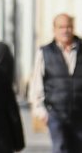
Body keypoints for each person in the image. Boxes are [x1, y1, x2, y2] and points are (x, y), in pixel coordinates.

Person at [29, 13, 82, 153]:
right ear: (54, 29)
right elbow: (37, 81)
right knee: (60, 148)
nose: (65, 30)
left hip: (79, 113)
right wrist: (39, 109)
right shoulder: (45, 52)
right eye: (61, 27)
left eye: (69, 26)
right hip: (56, 112)